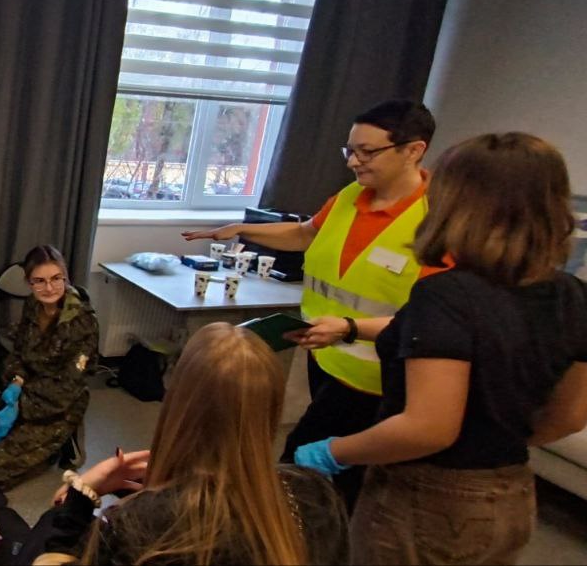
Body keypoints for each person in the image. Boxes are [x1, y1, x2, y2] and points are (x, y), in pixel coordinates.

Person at [292, 133, 587, 565]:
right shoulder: (572, 294)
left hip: (429, 502)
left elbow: (428, 429)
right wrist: (489, 445)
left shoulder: (447, 295)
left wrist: (333, 451)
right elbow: (571, 415)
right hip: (511, 494)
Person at [182, 99, 447, 509]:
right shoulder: (350, 196)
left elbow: (431, 319)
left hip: (378, 378)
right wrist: (240, 229)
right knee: (333, 473)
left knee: (307, 462)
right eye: (350, 150)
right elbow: (306, 234)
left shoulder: (436, 220)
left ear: (414, 150)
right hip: (326, 356)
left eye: (367, 152)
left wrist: (349, 327)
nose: (354, 162)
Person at [23, 323, 348, 565]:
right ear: (270, 409)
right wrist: (168, 493)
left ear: (179, 405)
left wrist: (81, 495)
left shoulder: (136, 526)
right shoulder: (316, 497)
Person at [0, 245, 99, 490]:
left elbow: (66, 387)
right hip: (28, 389)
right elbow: (20, 352)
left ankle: (59, 446)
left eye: (56, 278)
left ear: (65, 277)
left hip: (59, 405)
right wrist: (16, 382)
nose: (49, 288)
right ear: (29, 282)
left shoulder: (82, 322)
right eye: (39, 281)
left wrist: (20, 406)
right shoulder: (33, 306)